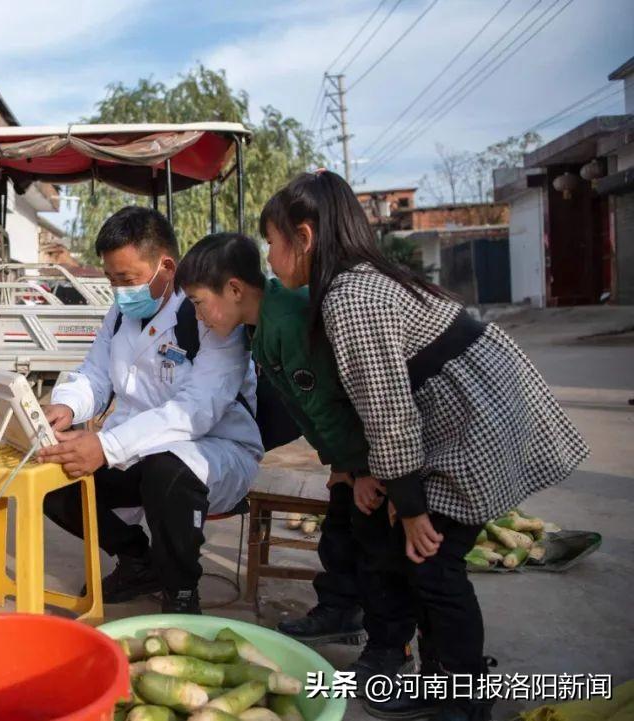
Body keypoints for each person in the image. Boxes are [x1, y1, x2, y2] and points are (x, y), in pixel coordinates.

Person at [255, 169, 588, 721]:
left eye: (271, 241)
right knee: (425, 566)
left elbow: (388, 413)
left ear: (304, 237)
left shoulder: (350, 300)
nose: (269, 256)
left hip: (472, 420)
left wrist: (410, 507)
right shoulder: (361, 280)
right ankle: (443, 686)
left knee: (434, 564)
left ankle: (462, 702)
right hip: (468, 407)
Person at [176, 232, 415, 680]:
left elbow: (334, 405)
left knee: (377, 551)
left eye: (197, 302)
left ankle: (392, 650)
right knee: (340, 532)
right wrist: (338, 465)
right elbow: (309, 412)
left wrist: (359, 469)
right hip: (353, 453)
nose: (198, 315)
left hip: (378, 450)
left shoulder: (286, 324)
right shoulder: (263, 326)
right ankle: (340, 611)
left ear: (234, 290)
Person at [37, 206, 264, 614]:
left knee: (168, 468)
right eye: (111, 279)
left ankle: (181, 594)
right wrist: (67, 408)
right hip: (133, 446)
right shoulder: (122, 312)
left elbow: (196, 410)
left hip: (212, 447)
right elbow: (96, 372)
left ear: (166, 266)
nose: (120, 291)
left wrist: (106, 446)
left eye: (127, 279)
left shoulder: (210, 311)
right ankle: (140, 561)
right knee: (54, 480)